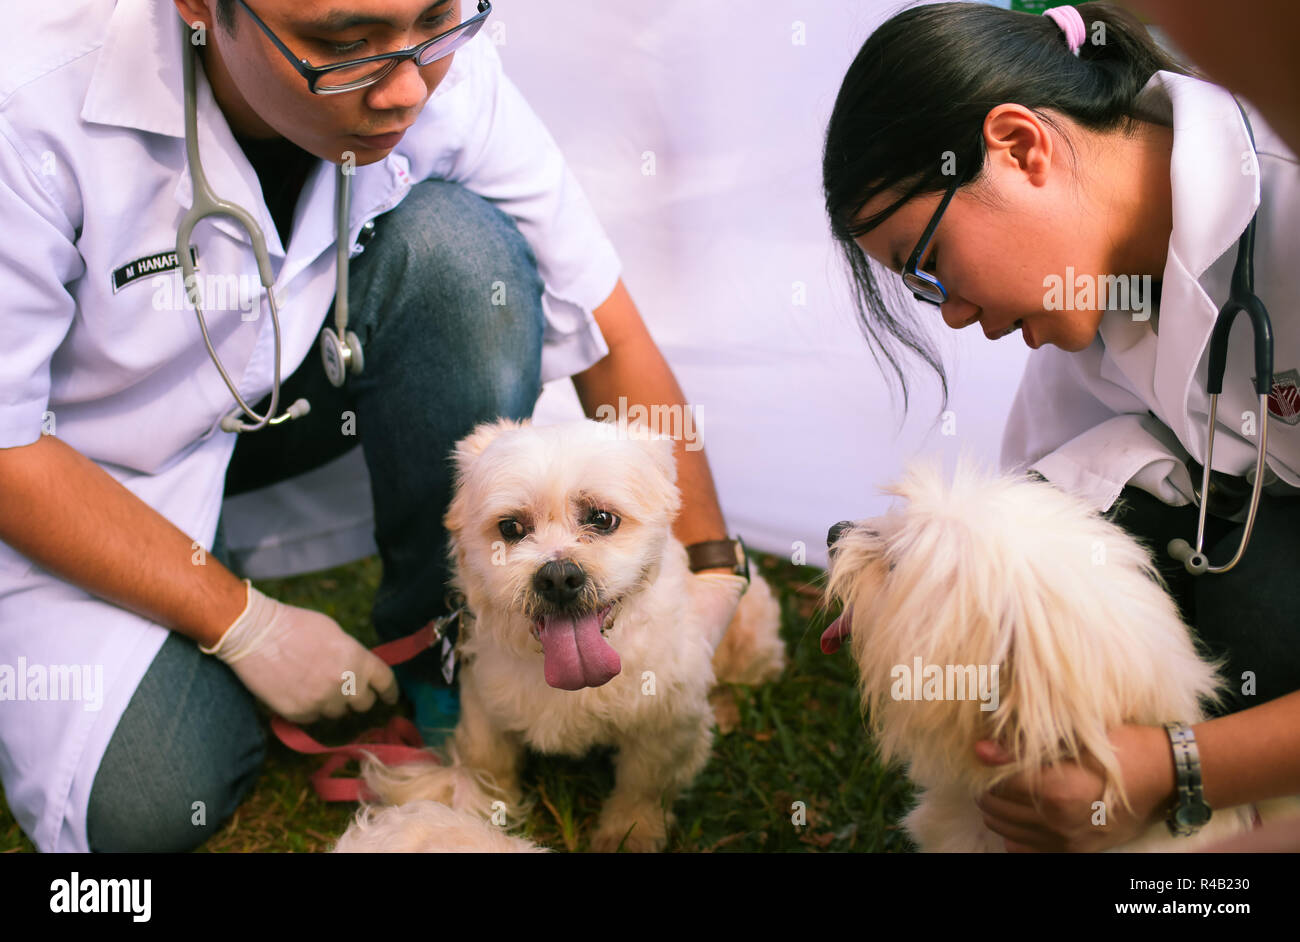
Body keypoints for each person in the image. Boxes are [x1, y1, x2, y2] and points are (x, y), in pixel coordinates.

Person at [0, 0, 750, 853]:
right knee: (145, 805)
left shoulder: (442, 70)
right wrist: (245, 622)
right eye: (342, 44)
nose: (403, 90)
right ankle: (198, 599)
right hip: (78, 470)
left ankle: (437, 648)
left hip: (285, 405)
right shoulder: (24, 104)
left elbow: (611, 331)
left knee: (462, 260)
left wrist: (713, 566)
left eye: (436, 21)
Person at [821, 1, 1300, 851]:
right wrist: (916, 591)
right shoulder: (1086, 314)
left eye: (929, 267)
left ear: (1020, 147)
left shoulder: (1290, 203)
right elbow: (1037, 518)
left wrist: (1171, 769)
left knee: (1259, 609)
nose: (955, 314)